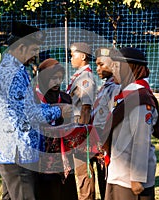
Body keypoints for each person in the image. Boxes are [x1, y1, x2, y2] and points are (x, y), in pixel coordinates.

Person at [0, 22, 72, 200]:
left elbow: (26, 109)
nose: (36, 55)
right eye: (34, 49)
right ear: (21, 47)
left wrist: (52, 108)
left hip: (8, 150)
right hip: (19, 152)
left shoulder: (7, 68)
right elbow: (31, 115)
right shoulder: (15, 72)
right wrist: (59, 111)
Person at [104, 47, 159, 200]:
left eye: (117, 66)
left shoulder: (140, 98)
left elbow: (141, 140)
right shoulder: (125, 93)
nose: (113, 71)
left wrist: (136, 178)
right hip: (119, 169)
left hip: (130, 178)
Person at [34, 58, 78, 200]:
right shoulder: (34, 98)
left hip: (64, 155)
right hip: (41, 157)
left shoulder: (65, 98)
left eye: (60, 78)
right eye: (53, 78)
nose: (57, 82)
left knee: (66, 190)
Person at [67, 42, 97, 200]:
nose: (70, 58)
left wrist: (81, 138)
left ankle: (87, 197)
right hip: (74, 125)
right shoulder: (79, 76)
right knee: (79, 171)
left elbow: (86, 108)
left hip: (80, 125)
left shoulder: (85, 78)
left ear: (83, 56)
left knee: (83, 171)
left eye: (73, 54)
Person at [91, 47, 120, 200]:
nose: (98, 69)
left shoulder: (116, 88)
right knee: (103, 184)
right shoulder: (106, 86)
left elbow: (113, 118)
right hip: (99, 144)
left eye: (101, 64)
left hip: (108, 147)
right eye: (96, 65)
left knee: (109, 187)